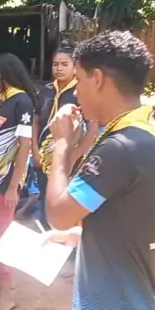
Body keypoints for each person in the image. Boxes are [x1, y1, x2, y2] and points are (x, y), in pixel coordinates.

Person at [44, 30, 155, 310]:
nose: (76, 92)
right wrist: (80, 236)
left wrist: (62, 144)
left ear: (98, 79)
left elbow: (58, 214)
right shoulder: (148, 133)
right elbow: (131, 214)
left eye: (79, 80)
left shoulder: (121, 147)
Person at [0, 52, 37, 310]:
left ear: (3, 74)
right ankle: (4, 281)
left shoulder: (21, 101)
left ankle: (8, 293)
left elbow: (24, 146)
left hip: (6, 180)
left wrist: (14, 186)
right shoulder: (1, 100)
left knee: (0, 233)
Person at [33, 45, 98, 217]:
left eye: (64, 64)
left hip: (69, 158)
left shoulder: (80, 93)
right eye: (55, 64)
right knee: (46, 197)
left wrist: (75, 155)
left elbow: (92, 130)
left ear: (75, 67)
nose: (59, 68)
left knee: (63, 202)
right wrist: (35, 150)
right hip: (44, 157)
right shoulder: (46, 91)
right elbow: (36, 120)